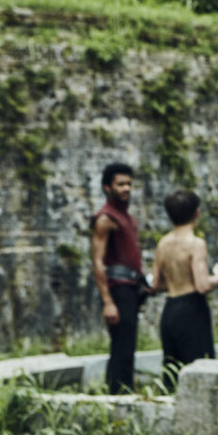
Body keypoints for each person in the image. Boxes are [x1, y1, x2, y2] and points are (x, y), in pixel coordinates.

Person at [151, 188, 218, 390]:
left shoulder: (163, 244)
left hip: (170, 310)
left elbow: (156, 284)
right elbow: (201, 286)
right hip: (191, 310)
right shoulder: (196, 244)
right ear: (196, 213)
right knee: (199, 370)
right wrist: (216, 278)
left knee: (172, 371)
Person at [90, 162, 144, 394]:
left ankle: (123, 392)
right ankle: (118, 396)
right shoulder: (105, 218)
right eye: (120, 184)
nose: (126, 188)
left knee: (128, 345)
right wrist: (107, 301)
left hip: (131, 288)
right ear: (107, 187)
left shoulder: (126, 218)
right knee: (121, 346)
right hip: (117, 290)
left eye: (129, 184)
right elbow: (98, 261)